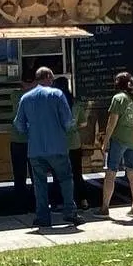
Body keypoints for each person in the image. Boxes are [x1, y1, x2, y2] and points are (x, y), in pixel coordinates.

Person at [14, 66, 78, 228]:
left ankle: (43, 216)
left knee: (39, 183)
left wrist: (31, 132)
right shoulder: (57, 94)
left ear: (37, 79)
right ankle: (69, 212)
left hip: (35, 149)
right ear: (49, 77)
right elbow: (68, 121)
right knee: (65, 179)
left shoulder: (26, 98)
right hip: (57, 146)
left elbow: (19, 124)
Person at [100, 72, 133, 218]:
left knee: (111, 173)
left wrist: (105, 142)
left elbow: (112, 123)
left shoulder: (118, 98)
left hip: (118, 140)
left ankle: (105, 208)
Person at [55, 76, 90, 210]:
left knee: (59, 174)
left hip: (59, 144)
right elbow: (84, 123)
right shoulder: (76, 103)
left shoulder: (55, 103)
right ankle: (83, 200)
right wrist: (73, 128)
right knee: (76, 173)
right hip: (75, 143)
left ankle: (60, 202)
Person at [9, 77, 34, 213]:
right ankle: (36, 203)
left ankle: (20, 205)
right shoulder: (34, 96)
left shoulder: (15, 95)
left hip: (17, 141)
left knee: (19, 175)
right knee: (35, 175)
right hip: (31, 141)